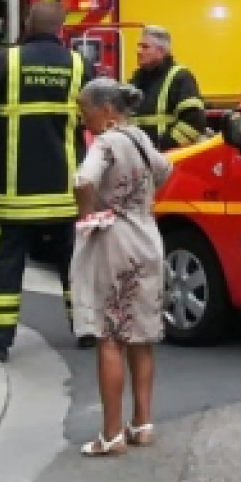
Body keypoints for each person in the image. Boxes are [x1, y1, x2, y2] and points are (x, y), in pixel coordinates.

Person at [0, 0, 94, 362]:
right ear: (61, 29)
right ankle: (87, 330)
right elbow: (90, 120)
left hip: (14, 191)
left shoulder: (5, 62)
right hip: (64, 190)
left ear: (28, 24)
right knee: (76, 261)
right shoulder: (79, 66)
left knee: (6, 265)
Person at [70, 78, 171, 457]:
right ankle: (142, 424)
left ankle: (111, 434)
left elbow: (84, 180)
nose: (85, 120)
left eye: (87, 111)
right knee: (141, 335)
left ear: (107, 109)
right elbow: (165, 170)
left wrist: (88, 212)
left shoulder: (107, 142)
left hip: (115, 242)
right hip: (148, 237)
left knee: (109, 334)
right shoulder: (141, 138)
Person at [127, 26, 206, 150]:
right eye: (139, 46)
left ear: (161, 51)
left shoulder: (180, 77)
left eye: (145, 47)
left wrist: (163, 146)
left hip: (167, 160)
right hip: (141, 159)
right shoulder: (137, 78)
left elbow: (193, 124)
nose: (138, 51)